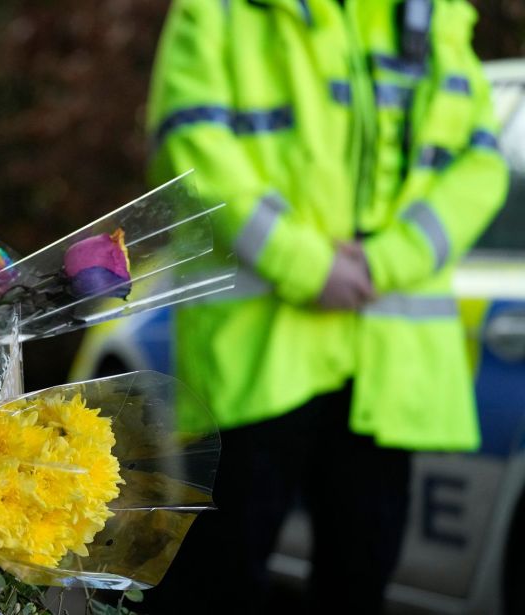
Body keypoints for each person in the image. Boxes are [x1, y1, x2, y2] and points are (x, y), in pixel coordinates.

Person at [143, 0, 508, 613]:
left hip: (383, 366)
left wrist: (385, 261)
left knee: (359, 581)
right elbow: (189, 147)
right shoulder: (221, 11)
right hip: (260, 361)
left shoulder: (435, 15)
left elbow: (482, 165)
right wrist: (309, 266)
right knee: (218, 581)